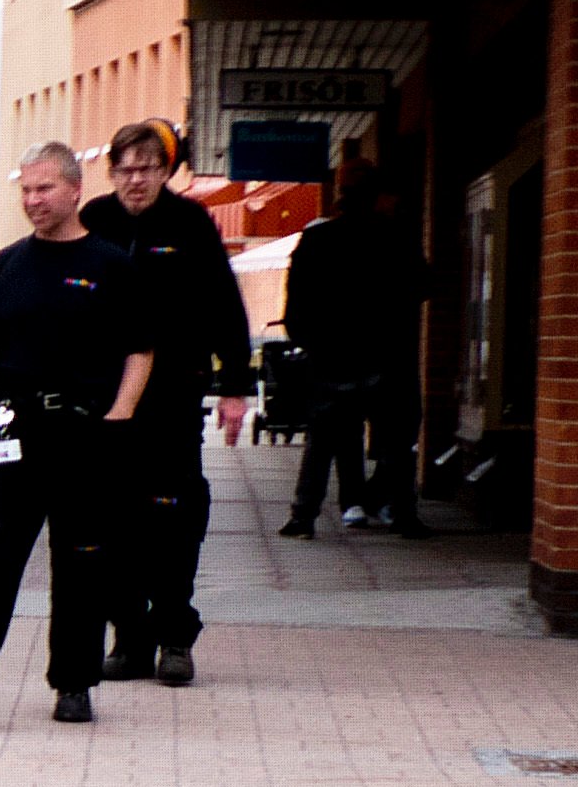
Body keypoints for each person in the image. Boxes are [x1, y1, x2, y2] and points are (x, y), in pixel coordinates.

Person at [0, 142, 155, 726]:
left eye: (44, 188)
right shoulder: (10, 264)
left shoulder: (110, 264)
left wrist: (120, 416)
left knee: (80, 560)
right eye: (25, 190)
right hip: (14, 429)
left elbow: (140, 350)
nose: (33, 200)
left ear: (75, 190)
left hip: (85, 432)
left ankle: (73, 682)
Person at [79, 118, 256, 687]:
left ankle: (174, 636)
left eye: (147, 169)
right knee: (112, 519)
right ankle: (128, 638)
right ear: (111, 174)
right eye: (125, 170)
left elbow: (226, 307)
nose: (135, 180)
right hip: (105, 401)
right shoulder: (95, 222)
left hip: (173, 396)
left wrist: (235, 385)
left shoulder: (190, 224)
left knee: (173, 515)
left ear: (165, 171)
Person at [279, 162, 431, 539]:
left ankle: (303, 516)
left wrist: (310, 343)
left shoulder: (316, 241)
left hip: (331, 358)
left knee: (321, 444)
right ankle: (404, 514)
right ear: (377, 198)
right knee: (396, 444)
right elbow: (423, 286)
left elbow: (295, 306)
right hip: (386, 355)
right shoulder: (397, 239)